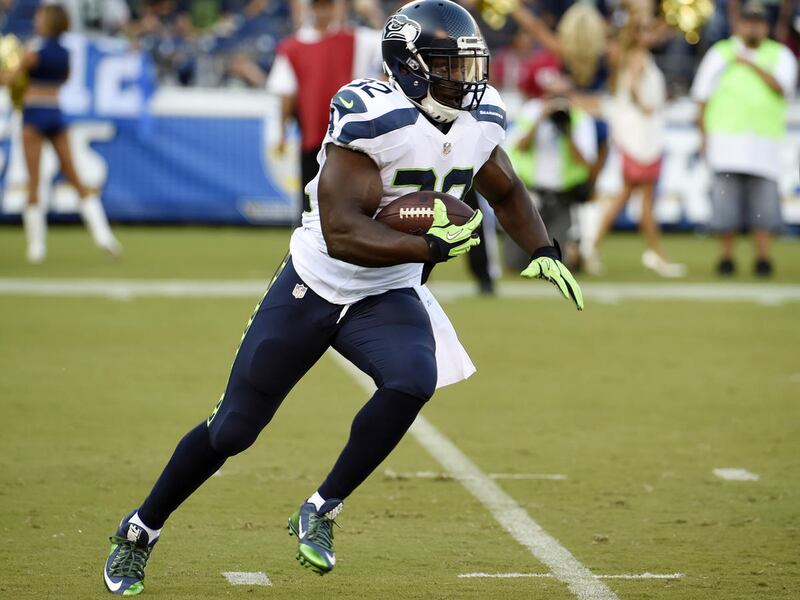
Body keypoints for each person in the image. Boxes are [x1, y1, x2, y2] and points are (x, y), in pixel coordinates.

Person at [102, 1, 583, 595]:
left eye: (469, 66)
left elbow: (505, 188)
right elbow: (343, 232)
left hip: (387, 291)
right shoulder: (371, 115)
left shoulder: (480, 116)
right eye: (448, 67)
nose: (465, 80)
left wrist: (542, 248)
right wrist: (430, 250)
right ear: (408, 67)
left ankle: (322, 508)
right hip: (317, 282)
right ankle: (139, 530)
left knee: (412, 378)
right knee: (234, 430)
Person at [0, 3, 121, 263]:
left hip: (33, 115)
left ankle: (36, 247)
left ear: (49, 22)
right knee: (75, 176)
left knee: (34, 182)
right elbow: (65, 79)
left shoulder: (33, 51)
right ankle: (104, 236)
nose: (37, 20)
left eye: (41, 17)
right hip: (56, 113)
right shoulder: (65, 53)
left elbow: (8, 79)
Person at [691, 0, 797, 276]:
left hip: (765, 148)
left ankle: (763, 258)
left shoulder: (780, 55)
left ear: (767, 27)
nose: (753, 27)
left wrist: (749, 63)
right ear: (738, 24)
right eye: (749, 21)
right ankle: (726, 258)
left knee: (764, 209)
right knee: (725, 209)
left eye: (759, 22)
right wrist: (702, 135)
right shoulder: (721, 53)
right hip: (725, 145)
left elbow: (781, 86)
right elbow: (701, 96)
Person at [586, 17, 686, 277]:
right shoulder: (637, 57)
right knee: (630, 196)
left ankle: (645, 251)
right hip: (640, 137)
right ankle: (596, 247)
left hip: (641, 135)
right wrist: (644, 103)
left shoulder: (631, 56)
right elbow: (632, 87)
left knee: (634, 197)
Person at [265, 0, 382, 223]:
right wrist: (281, 132)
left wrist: (373, 13)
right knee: (311, 201)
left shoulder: (356, 38)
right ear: (311, 9)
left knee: (349, 200)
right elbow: (286, 93)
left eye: (328, 5)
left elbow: (393, 44)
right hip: (314, 135)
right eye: (319, 6)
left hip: (352, 135)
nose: (324, 11)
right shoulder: (293, 47)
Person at [507, 95, 597, 270]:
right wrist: (540, 119)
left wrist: (568, 131)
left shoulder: (579, 118)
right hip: (531, 196)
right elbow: (519, 147)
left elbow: (585, 162)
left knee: (561, 262)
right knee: (514, 263)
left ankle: (575, 248)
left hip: (563, 198)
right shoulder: (532, 112)